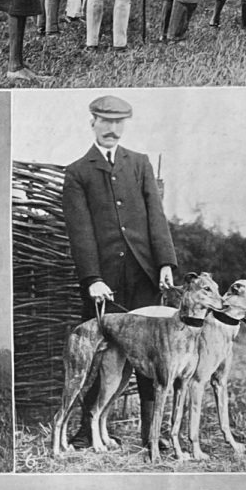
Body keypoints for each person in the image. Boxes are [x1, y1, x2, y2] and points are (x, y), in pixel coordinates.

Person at [61, 95, 177, 450]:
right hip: (105, 284)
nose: (112, 129)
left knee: (153, 354)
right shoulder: (78, 172)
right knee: (101, 355)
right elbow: (80, 231)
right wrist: (92, 279)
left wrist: (165, 263)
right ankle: (87, 430)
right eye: (105, 121)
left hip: (144, 277)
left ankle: (151, 435)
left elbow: (156, 217)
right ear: (92, 122)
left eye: (118, 122)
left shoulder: (139, 164)